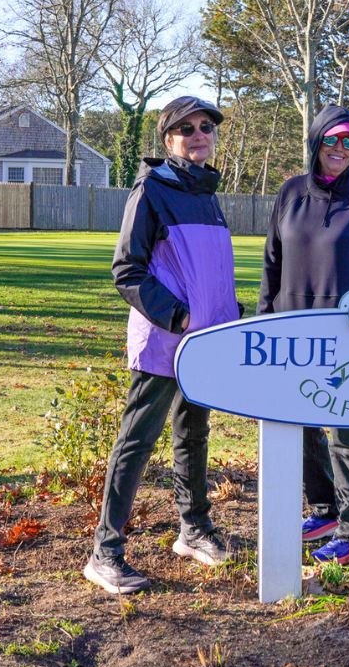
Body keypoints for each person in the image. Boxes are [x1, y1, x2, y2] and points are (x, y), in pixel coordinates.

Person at [83, 96, 240, 594]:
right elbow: (126, 271)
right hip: (163, 340)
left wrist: (226, 318)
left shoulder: (207, 193)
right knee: (137, 441)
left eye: (206, 128)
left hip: (208, 344)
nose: (198, 135)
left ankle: (193, 530)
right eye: (186, 129)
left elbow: (210, 270)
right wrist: (180, 315)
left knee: (193, 434)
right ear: (167, 139)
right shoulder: (151, 190)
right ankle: (104, 553)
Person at [257, 103, 349, 565]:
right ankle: (324, 510)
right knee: (300, 424)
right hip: (291, 328)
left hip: (348, 335)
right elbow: (272, 262)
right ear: (316, 142)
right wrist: (264, 318)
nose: (340, 149)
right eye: (333, 140)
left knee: (346, 429)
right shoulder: (291, 192)